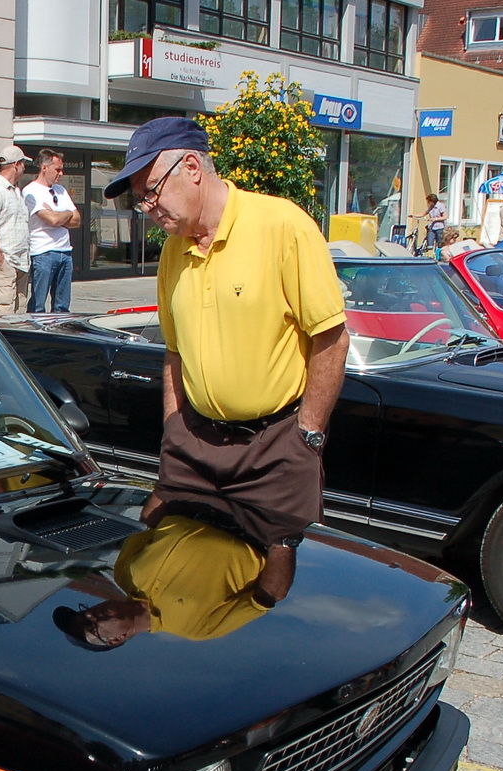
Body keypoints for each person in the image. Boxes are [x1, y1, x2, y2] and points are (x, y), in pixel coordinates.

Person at [102, 116, 348, 603]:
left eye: (151, 192)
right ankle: (163, 635)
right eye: (141, 199)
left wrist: (309, 436)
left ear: (191, 167)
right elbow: (173, 350)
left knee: (273, 576)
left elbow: (331, 339)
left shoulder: (282, 225)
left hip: (276, 440)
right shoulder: (174, 251)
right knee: (155, 532)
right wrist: (174, 424)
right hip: (195, 436)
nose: (148, 208)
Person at [52, 512, 276, 650]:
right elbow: (269, 595)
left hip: (205, 495)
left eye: (84, 613)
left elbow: (150, 523)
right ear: (116, 639)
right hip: (263, 524)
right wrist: (284, 541)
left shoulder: (123, 574)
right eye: (91, 625)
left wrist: (170, 481)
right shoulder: (197, 629)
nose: (91, 614)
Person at [23, 148, 80, 312]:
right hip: (43, 253)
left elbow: (77, 220)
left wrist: (64, 215)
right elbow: (52, 219)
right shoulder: (30, 191)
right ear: (44, 167)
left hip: (65, 252)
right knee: (38, 305)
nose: (61, 173)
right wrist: (66, 215)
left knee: (62, 306)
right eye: (58, 169)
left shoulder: (60, 190)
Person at [0, 145, 32, 314]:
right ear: (16, 165)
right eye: (23, 164)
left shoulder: (16, 191)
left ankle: (14, 342)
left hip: (21, 262)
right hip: (5, 263)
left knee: (20, 313)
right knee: (5, 312)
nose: (24, 168)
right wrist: (1, 262)